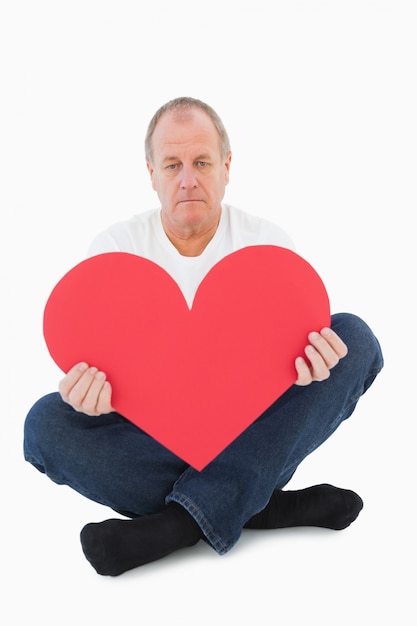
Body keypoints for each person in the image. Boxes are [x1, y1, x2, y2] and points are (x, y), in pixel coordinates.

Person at [24, 96, 384, 576]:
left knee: (354, 338)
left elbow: (281, 387)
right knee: (45, 424)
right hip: (157, 437)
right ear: (150, 174)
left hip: (253, 429)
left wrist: (308, 371)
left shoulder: (268, 249)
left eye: (201, 162)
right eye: (171, 165)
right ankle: (259, 505)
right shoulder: (113, 253)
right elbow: (109, 378)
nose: (187, 179)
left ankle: (178, 525)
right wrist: (93, 398)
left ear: (227, 167)